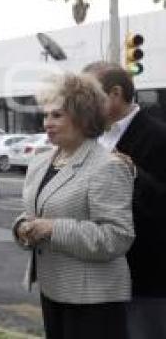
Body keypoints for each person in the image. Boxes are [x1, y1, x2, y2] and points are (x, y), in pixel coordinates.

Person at [14, 72, 134, 339]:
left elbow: (118, 237)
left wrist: (53, 229)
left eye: (57, 115)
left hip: (94, 299)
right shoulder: (41, 161)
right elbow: (36, 212)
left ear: (83, 117)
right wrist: (22, 227)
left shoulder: (107, 166)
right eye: (46, 116)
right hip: (52, 289)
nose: (47, 123)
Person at [84, 62, 166, 338]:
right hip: (99, 276)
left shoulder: (158, 135)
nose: (84, 105)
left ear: (115, 94)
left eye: (90, 96)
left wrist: (133, 172)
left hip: (145, 278)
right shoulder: (91, 137)